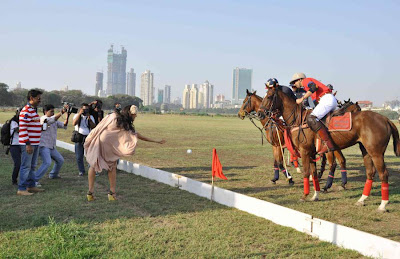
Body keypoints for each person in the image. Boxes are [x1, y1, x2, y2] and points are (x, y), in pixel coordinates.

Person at [84, 105, 166, 201]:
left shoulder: (113, 116)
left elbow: (100, 125)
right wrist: (155, 141)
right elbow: (138, 135)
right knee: (112, 166)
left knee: (93, 165)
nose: (136, 117)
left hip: (100, 141)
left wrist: (92, 136)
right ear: (131, 114)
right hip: (108, 145)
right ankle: (112, 193)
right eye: (135, 115)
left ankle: (90, 193)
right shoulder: (126, 124)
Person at [290, 72, 338, 154]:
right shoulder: (307, 90)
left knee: (311, 118)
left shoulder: (305, 81)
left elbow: (314, 86)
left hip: (326, 99)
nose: (294, 84)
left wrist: (302, 99)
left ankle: (327, 144)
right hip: (328, 100)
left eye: (295, 82)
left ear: (300, 79)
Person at [17, 89, 44, 195]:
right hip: (29, 144)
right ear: (31, 98)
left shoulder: (33, 110)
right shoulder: (26, 111)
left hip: (35, 143)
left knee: (33, 166)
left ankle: (31, 185)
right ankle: (22, 189)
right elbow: (23, 129)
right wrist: (28, 144)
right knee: (26, 166)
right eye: (38, 98)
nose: (40, 100)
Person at [35, 104, 70, 184]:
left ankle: (53, 174)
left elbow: (64, 125)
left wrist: (68, 115)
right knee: (47, 162)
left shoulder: (54, 120)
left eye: (53, 111)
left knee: (60, 160)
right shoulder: (43, 118)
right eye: (51, 111)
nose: (53, 113)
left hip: (51, 146)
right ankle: (34, 180)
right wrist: (62, 112)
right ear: (45, 111)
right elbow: (51, 120)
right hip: (43, 145)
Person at [73, 103, 96, 176]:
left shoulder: (90, 117)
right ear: (81, 109)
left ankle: (91, 170)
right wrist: (80, 114)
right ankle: (81, 171)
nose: (85, 111)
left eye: (87, 109)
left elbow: (93, 127)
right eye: (84, 109)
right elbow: (74, 123)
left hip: (88, 137)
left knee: (90, 155)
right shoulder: (77, 115)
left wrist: (89, 119)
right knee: (79, 156)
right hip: (79, 137)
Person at [9, 108, 22, 185]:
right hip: (14, 145)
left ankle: (24, 179)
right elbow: (18, 130)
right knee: (18, 163)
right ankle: (14, 180)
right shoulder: (14, 121)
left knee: (25, 163)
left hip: (23, 144)